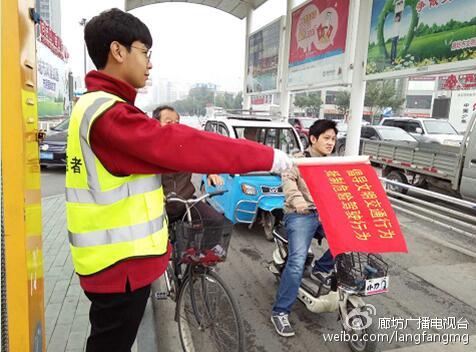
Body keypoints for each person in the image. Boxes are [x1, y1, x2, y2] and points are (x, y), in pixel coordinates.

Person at [65, 8, 292, 352]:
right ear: (118, 51)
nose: (149, 63)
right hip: (119, 267)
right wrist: (270, 158)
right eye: (145, 52)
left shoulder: (97, 107)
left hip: (112, 263)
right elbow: (182, 145)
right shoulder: (109, 115)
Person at [270, 119, 337, 337]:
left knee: (348, 242)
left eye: (333, 139)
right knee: (297, 260)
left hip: (325, 213)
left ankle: (321, 268)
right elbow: (288, 184)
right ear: (313, 139)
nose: (330, 143)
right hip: (301, 214)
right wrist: (298, 201)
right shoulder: (295, 161)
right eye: (326, 138)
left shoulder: (333, 163)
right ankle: (280, 312)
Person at [152, 105, 224, 223]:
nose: (175, 125)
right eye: (169, 122)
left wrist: (211, 172)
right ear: (156, 124)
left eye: (177, 122)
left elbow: (203, 157)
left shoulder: (186, 147)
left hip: (186, 203)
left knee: (216, 220)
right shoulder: (149, 150)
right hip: (159, 209)